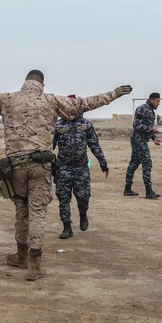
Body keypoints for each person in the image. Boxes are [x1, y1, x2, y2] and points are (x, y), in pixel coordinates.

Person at [0, 71, 131, 280]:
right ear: (42, 84)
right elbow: (83, 104)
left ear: (25, 82)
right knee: (38, 213)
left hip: (14, 167)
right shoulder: (50, 100)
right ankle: (34, 265)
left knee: (21, 211)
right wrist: (114, 94)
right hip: (40, 166)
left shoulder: (6, 99)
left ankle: (20, 255)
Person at [52, 95, 109, 239]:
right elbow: (49, 146)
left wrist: (103, 162)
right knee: (63, 198)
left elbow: (94, 145)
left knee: (83, 197)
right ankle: (67, 227)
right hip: (63, 168)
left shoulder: (86, 125)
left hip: (81, 168)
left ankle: (83, 215)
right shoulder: (57, 126)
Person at [125, 92, 162, 199]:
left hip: (141, 140)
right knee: (147, 163)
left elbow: (147, 127)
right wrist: (151, 129)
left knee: (134, 163)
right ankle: (148, 191)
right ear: (151, 100)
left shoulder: (150, 111)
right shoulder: (142, 109)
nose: (158, 104)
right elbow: (136, 125)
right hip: (138, 140)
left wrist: (154, 138)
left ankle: (127, 189)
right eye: (157, 101)